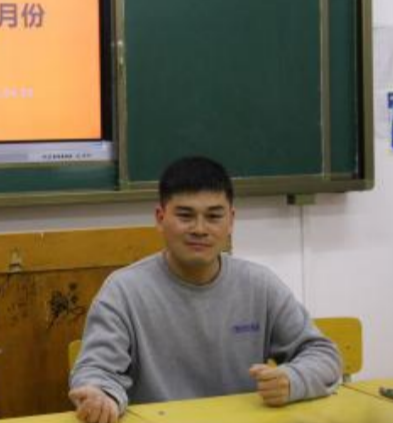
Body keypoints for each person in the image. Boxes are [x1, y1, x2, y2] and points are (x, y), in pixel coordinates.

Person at [68, 156, 341, 423]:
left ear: (231, 221)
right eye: (185, 216)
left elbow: (324, 355)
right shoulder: (123, 291)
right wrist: (102, 395)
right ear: (160, 218)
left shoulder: (259, 285)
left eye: (213, 216)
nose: (200, 229)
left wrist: (293, 380)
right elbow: (95, 371)